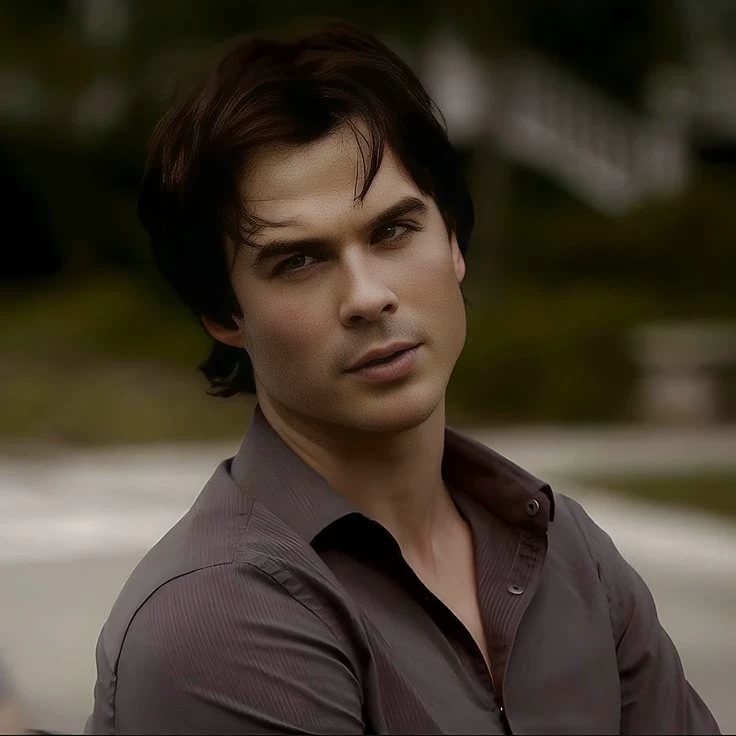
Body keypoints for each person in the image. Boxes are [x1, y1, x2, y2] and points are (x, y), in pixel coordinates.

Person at [85, 21, 720, 735]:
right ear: (223, 315)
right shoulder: (217, 622)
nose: (367, 296)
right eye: (299, 261)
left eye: (392, 231)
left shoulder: (564, 549)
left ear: (453, 241)